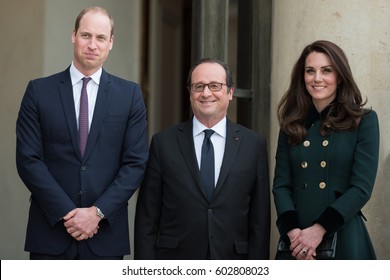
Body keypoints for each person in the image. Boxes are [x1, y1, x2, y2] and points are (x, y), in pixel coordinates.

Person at [16, 6, 148, 260]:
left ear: (111, 43)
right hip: (50, 233)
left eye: (101, 38)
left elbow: (135, 163)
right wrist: (69, 213)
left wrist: (96, 213)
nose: (92, 45)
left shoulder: (130, 96)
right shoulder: (38, 91)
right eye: (86, 35)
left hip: (106, 236)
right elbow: (28, 159)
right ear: (73, 35)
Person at [134, 58, 270, 260]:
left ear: (230, 92)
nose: (206, 93)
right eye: (198, 86)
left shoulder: (253, 145)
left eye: (215, 86)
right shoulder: (163, 143)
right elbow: (147, 217)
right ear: (190, 94)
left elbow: (260, 220)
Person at [273, 40, 380, 260]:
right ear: (302, 78)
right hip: (297, 240)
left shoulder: (364, 121)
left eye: (326, 70)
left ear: (339, 76)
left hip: (342, 235)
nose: (317, 78)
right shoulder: (291, 124)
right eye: (310, 71)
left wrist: (319, 229)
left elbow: (361, 188)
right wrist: (294, 234)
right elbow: (281, 186)